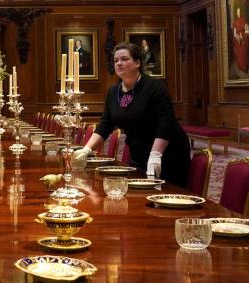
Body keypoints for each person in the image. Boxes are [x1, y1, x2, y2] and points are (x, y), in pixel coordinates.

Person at [75, 42, 190, 186]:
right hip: (138, 152)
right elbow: (106, 124)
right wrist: (87, 149)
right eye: (116, 60)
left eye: (124, 59)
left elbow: (165, 123)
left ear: (137, 62)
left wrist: (155, 155)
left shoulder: (155, 87)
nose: (119, 63)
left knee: (166, 196)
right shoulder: (113, 92)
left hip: (167, 153)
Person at [232, 7, 249, 73]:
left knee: (245, 47)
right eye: (238, 12)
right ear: (236, 13)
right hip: (237, 37)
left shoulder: (243, 19)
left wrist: (246, 30)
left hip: (243, 35)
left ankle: (245, 66)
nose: (239, 13)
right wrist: (237, 37)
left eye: (240, 12)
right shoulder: (235, 22)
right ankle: (241, 66)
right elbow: (234, 32)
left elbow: (246, 29)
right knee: (239, 48)